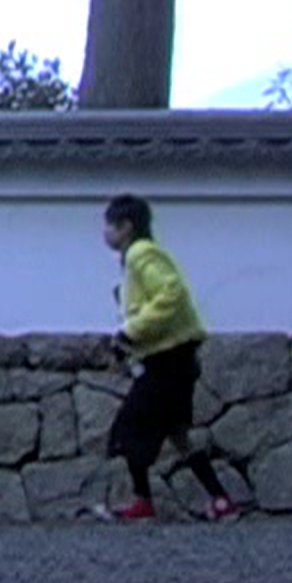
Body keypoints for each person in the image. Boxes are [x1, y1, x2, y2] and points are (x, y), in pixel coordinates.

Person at [99, 194, 240, 522]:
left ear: (126, 226)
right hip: (174, 359)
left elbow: (171, 293)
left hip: (167, 361)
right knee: (177, 434)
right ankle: (220, 500)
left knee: (130, 426)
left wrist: (130, 331)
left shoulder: (141, 253)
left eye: (110, 225)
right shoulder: (138, 257)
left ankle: (142, 503)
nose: (105, 232)